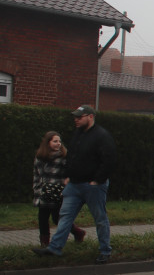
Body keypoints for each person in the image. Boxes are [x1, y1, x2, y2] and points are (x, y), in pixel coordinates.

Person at [32, 105, 116, 264]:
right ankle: (55, 247)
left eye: (79, 117)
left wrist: (97, 180)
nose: (76, 120)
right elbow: (71, 156)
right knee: (64, 216)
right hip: (74, 185)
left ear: (90, 117)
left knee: (100, 218)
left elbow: (109, 160)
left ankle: (105, 250)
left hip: (93, 187)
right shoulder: (78, 134)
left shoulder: (102, 136)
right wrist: (67, 175)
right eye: (75, 117)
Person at [32, 131, 86, 247]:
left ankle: (77, 232)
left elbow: (71, 172)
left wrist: (67, 184)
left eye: (59, 141)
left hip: (58, 193)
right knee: (42, 218)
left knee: (57, 218)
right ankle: (44, 243)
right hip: (44, 193)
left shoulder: (63, 157)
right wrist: (37, 191)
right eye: (55, 141)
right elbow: (36, 175)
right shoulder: (40, 157)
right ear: (48, 143)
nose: (58, 144)